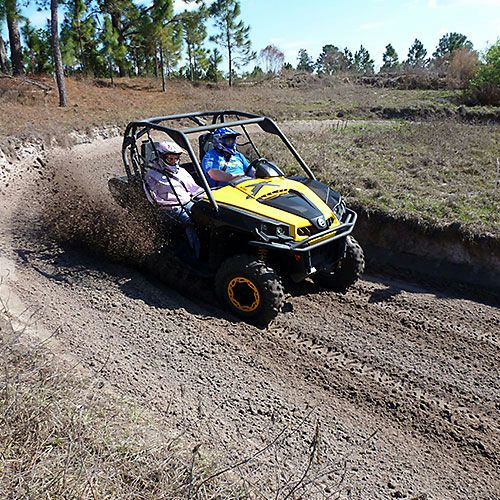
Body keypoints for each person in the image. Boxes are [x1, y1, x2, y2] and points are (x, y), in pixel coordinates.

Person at [144, 141, 203, 257]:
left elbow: (195, 189)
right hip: (169, 209)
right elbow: (153, 199)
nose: (174, 162)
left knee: (207, 216)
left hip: (189, 202)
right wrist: (173, 205)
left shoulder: (182, 172)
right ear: (161, 158)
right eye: (171, 159)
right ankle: (196, 256)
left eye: (176, 158)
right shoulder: (152, 175)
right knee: (191, 222)